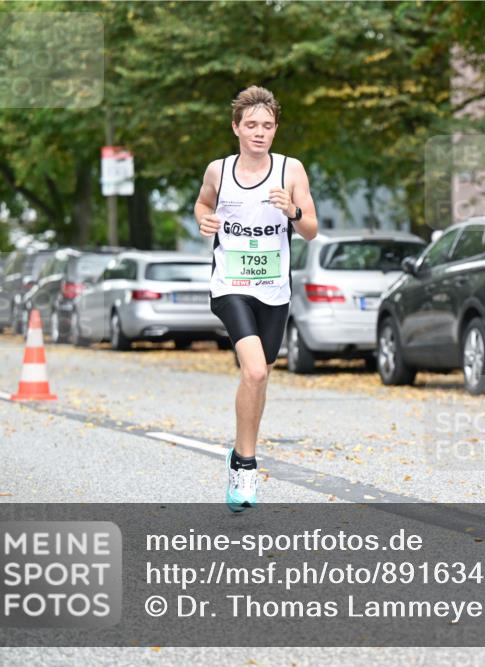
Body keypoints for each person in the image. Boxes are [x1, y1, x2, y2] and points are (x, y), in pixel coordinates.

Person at [195, 86, 318, 510]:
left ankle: (240, 450)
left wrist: (293, 212)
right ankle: (244, 465)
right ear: (236, 128)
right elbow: (202, 203)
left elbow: (311, 229)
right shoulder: (219, 170)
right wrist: (204, 221)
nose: (259, 132)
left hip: (273, 290)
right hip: (230, 286)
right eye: (251, 125)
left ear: (275, 129)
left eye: (267, 125)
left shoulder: (291, 170)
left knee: (260, 373)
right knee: (255, 371)